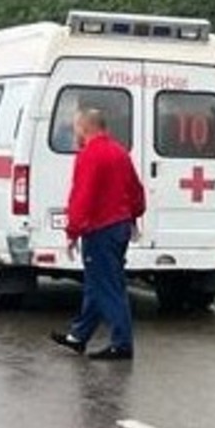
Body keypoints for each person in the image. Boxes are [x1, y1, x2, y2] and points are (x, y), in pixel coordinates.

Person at [50, 108, 146, 361]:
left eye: (76, 128)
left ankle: (122, 343)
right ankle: (78, 336)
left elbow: (82, 196)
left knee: (108, 287)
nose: (75, 132)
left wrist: (73, 230)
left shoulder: (89, 155)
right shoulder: (120, 152)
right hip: (120, 227)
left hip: (100, 229)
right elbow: (136, 190)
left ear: (85, 127)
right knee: (97, 284)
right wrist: (134, 215)